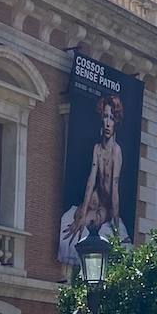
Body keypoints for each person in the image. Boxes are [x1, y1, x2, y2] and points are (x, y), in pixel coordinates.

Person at [59, 94, 129, 265]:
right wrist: (82, 212)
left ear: (116, 122)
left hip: (106, 204)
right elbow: (91, 179)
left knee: (91, 222)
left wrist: (116, 222)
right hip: (97, 196)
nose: (107, 123)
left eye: (111, 118)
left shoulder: (116, 151)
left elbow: (114, 187)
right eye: (105, 117)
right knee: (77, 219)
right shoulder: (97, 148)